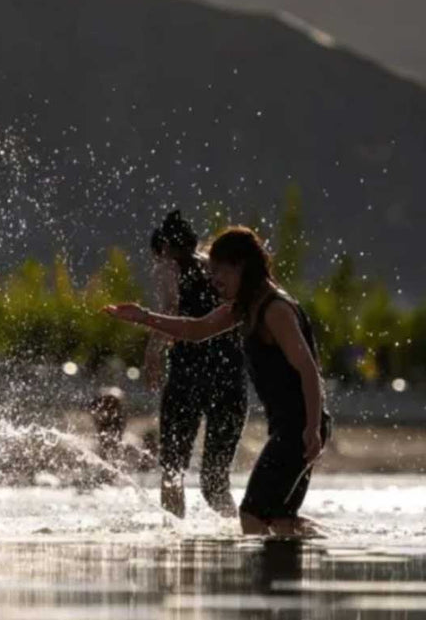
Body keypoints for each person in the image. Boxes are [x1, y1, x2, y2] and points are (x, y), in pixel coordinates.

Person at [106, 226, 331, 536]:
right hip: (290, 426)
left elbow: (308, 370)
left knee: (252, 515)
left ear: (239, 265)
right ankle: (330, 549)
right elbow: (196, 330)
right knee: (280, 522)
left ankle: (265, 581)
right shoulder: (245, 308)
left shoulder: (275, 309)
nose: (213, 281)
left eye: (218, 272)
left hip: (299, 428)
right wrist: (143, 316)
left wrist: (313, 427)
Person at [144, 211, 247, 519]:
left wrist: (152, 355)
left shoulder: (169, 267)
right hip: (230, 379)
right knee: (215, 484)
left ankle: (174, 543)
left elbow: (170, 308)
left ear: (164, 249)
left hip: (187, 377)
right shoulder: (219, 271)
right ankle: (247, 533)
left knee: (172, 473)